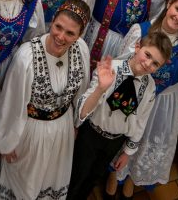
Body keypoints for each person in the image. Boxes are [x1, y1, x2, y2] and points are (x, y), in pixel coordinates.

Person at [111, 0, 178, 196]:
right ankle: (111, 183)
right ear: (169, 4)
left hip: (163, 103)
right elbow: (121, 64)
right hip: (134, 94)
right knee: (120, 142)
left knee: (145, 146)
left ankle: (129, 187)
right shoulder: (141, 30)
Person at [0, 0, 91, 200]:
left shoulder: (81, 50)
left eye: (70, 33)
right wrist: (6, 142)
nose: (61, 37)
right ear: (51, 21)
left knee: (50, 182)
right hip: (31, 132)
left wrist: (75, 123)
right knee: (25, 185)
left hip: (62, 131)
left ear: (80, 35)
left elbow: (81, 90)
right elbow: (12, 103)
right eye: (58, 27)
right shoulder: (26, 57)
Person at [66, 30, 172, 199]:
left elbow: (140, 122)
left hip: (115, 141)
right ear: (137, 47)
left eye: (155, 64)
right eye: (147, 55)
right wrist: (101, 87)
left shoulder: (150, 87)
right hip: (91, 135)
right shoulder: (110, 69)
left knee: (94, 177)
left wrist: (127, 153)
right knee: (76, 175)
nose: (148, 64)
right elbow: (84, 110)